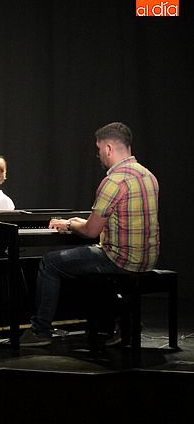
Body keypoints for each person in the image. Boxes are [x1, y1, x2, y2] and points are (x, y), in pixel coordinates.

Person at [22, 122, 159, 346]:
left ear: (108, 148)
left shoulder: (113, 181)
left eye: (98, 149)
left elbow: (91, 231)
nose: (98, 155)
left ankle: (40, 331)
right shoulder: (148, 176)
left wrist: (69, 225)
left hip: (121, 260)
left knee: (50, 263)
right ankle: (122, 323)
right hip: (148, 258)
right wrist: (79, 222)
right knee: (88, 256)